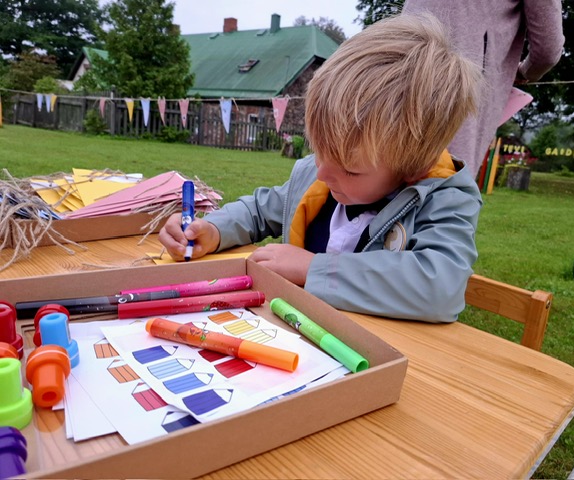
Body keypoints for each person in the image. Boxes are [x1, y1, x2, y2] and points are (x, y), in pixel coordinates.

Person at [159, 13, 483, 323]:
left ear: (412, 168)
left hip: (366, 350)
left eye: (350, 169)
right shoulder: (318, 179)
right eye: (319, 150)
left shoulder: (443, 199)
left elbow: (441, 286)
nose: (323, 174)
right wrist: (213, 231)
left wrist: (313, 268)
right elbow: (259, 211)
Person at [402, 0, 565, 178]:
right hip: (462, 81)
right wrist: (524, 71)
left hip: (395, 64)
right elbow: (547, 51)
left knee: (385, 167)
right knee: (444, 180)